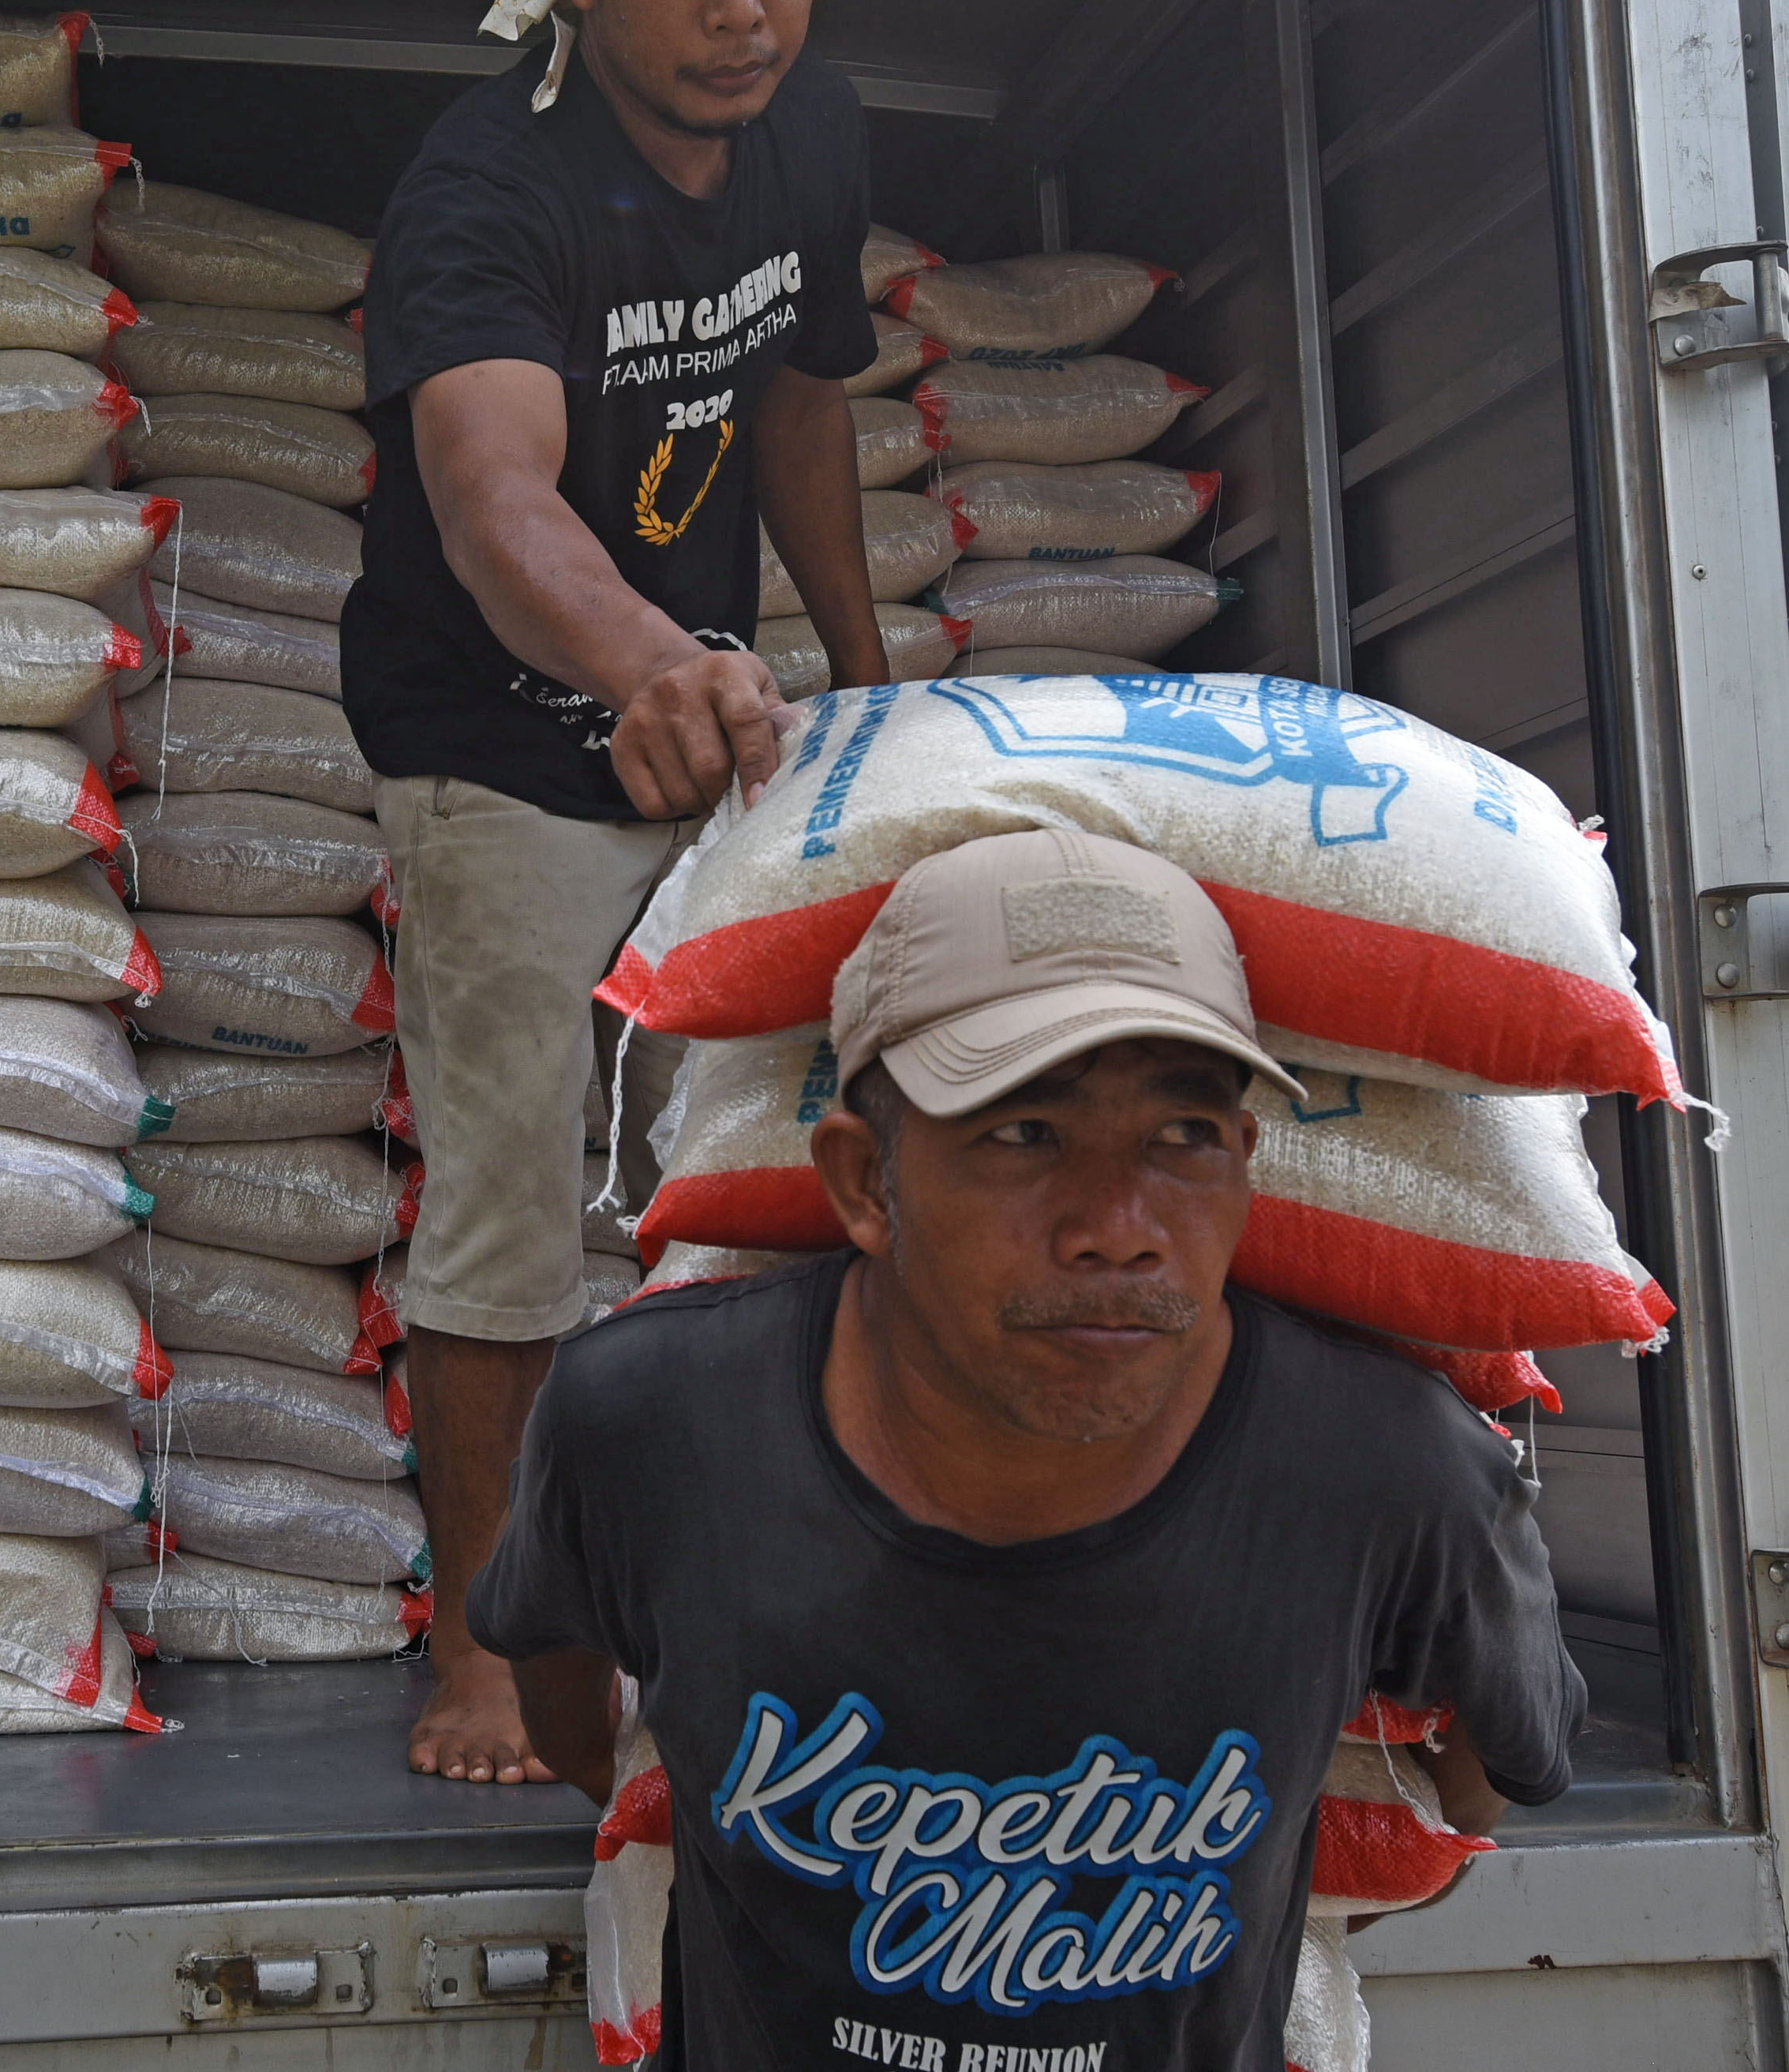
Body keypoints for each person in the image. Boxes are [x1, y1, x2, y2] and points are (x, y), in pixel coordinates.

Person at [469, 827, 1585, 2066]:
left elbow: (1484, 1775)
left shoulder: (1387, 1469)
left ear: (1247, 1162)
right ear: (862, 1182)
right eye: (1022, 1134)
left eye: (1183, 1135)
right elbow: (573, 1717)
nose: (1120, 1229)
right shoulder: (652, 1419)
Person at [339, 0, 892, 1783]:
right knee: (508, 1202)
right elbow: (494, 502)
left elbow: (805, 396)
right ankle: (488, 1646)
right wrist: (655, 659)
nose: (746, 11)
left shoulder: (814, 132)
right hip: (498, 736)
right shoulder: (490, 189)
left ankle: (731, 1588)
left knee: (741, 1176)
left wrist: (862, 670)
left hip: (718, 716)